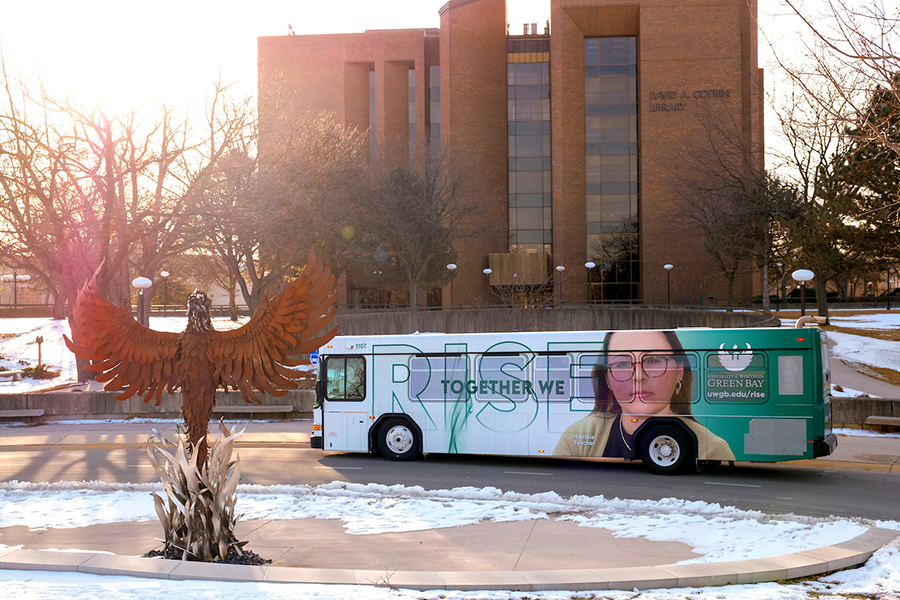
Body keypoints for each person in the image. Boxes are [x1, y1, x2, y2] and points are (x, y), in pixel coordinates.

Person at [553, 330, 734, 461]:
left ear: (680, 371)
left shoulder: (712, 448)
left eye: (654, 360)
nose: (638, 376)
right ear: (607, 379)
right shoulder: (577, 435)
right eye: (622, 364)